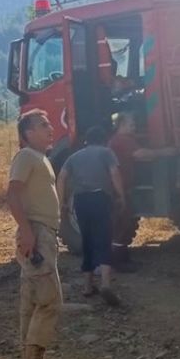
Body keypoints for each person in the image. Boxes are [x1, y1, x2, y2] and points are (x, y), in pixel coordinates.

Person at [7, 109, 64, 359]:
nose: (50, 128)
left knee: (32, 301)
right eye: (43, 125)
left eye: (49, 123)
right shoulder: (27, 156)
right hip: (37, 233)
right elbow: (13, 193)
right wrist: (28, 231)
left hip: (41, 232)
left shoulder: (41, 158)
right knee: (50, 300)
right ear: (28, 133)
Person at [57, 126, 124, 305]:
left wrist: (62, 202)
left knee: (87, 240)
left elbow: (62, 177)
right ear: (103, 140)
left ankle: (87, 286)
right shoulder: (106, 152)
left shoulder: (74, 156)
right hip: (100, 198)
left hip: (80, 201)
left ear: (86, 140)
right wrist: (121, 195)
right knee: (104, 238)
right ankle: (105, 284)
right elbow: (114, 173)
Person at [107, 113, 176, 269]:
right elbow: (140, 154)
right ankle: (119, 262)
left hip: (123, 187)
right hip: (119, 188)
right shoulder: (121, 140)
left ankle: (123, 259)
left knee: (125, 223)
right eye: (131, 123)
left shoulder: (122, 140)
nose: (134, 125)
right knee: (121, 224)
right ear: (121, 124)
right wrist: (165, 152)